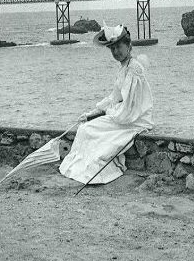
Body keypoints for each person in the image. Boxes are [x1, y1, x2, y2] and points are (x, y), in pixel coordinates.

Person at [59, 24, 154, 185]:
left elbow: (130, 109)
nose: (116, 52)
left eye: (119, 47)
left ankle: (97, 170)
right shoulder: (124, 67)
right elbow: (114, 97)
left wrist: (107, 113)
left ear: (128, 46)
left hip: (134, 120)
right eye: (112, 49)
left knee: (89, 130)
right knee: (84, 127)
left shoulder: (134, 69)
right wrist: (95, 111)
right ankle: (79, 168)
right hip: (122, 115)